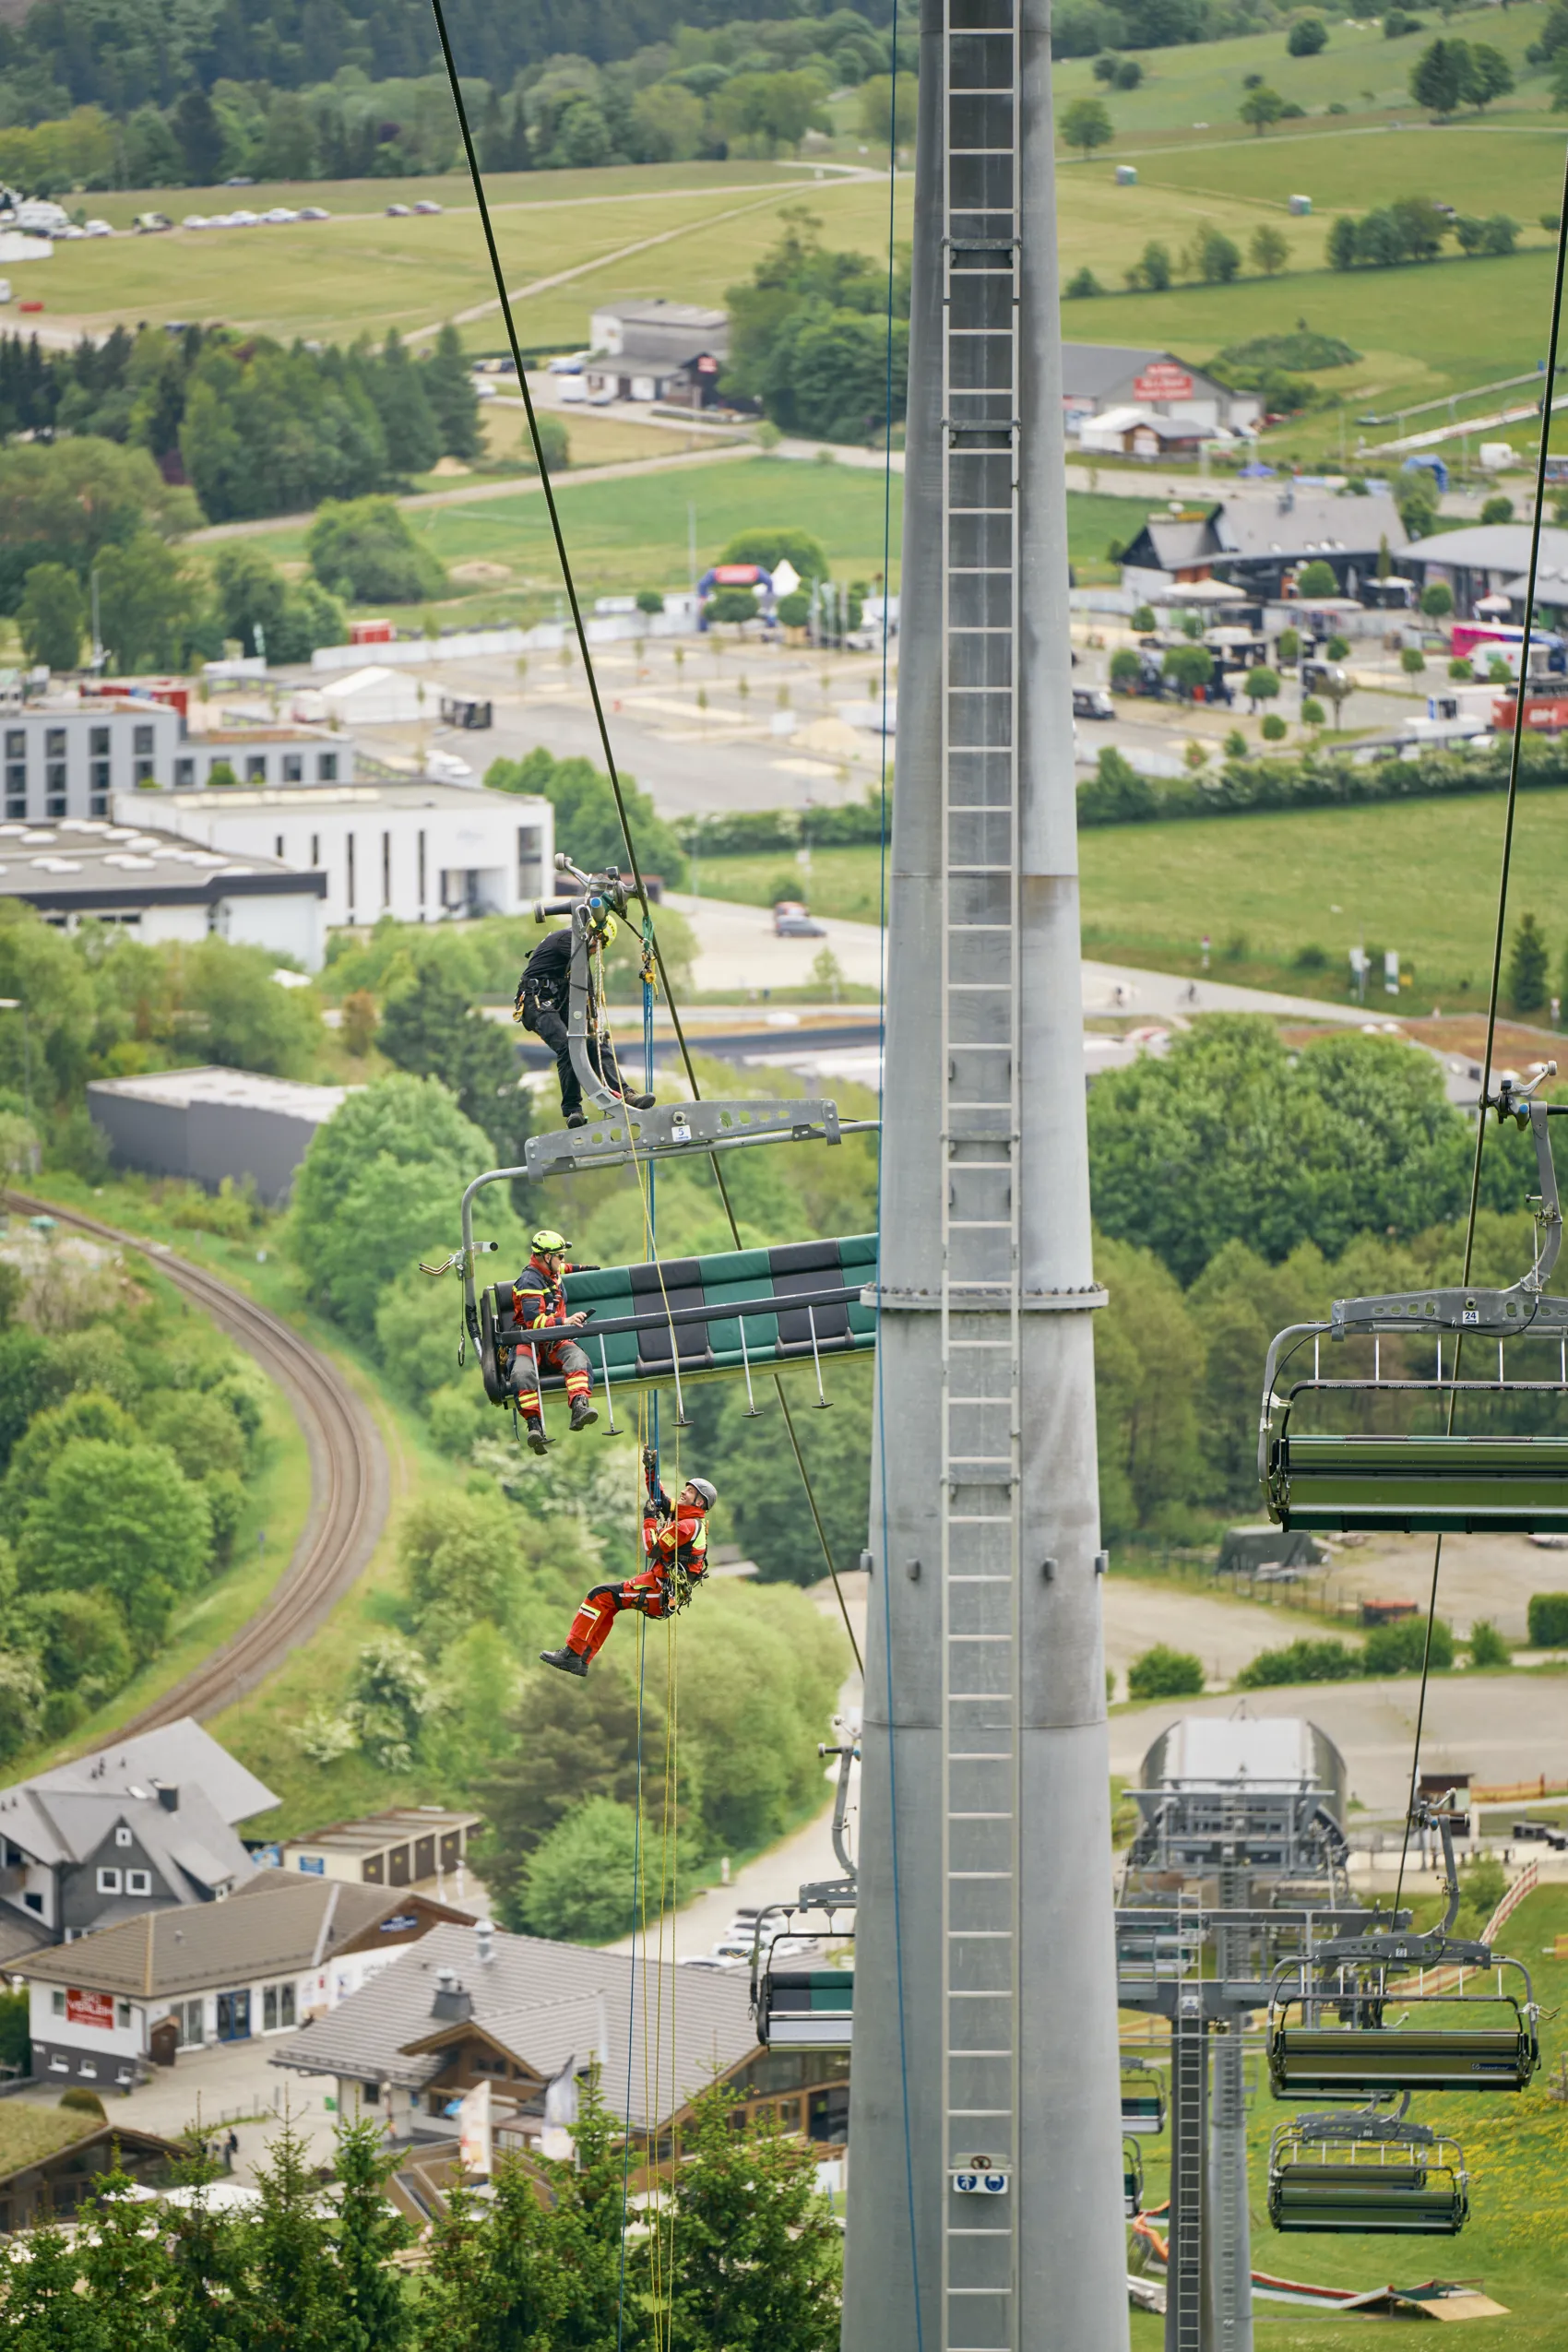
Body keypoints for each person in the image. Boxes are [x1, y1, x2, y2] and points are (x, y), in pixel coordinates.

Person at [540, 1447, 716, 1677]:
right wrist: (650, 1468)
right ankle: (580, 1658)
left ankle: (573, 1654)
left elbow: (652, 1549)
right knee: (608, 1602)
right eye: (686, 1488)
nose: (684, 1492)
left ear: (700, 1503)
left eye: (690, 1492)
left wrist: (649, 1519)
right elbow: (659, 1498)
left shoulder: (687, 1526)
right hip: (659, 1585)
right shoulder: (687, 1516)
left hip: (660, 1590)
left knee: (599, 1596)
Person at [514, 919, 655, 1128]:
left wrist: (593, 1024)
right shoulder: (567, 940)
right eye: (599, 942)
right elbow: (584, 979)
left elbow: (584, 986)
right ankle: (572, 1109)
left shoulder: (575, 950)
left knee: (594, 1043)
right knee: (568, 1046)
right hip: (536, 1001)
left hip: (554, 1001)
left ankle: (625, 1093)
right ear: (592, 932)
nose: (595, 950)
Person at [508, 1229, 600, 1453]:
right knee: (522, 1373)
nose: (563, 1261)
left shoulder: (551, 1270)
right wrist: (566, 1320)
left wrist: (587, 1269)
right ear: (547, 1257)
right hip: (529, 1342)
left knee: (577, 1357)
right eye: (559, 1256)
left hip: (555, 1341)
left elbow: (565, 1269)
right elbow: (534, 1323)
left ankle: (579, 1406)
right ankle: (534, 1425)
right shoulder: (528, 1281)